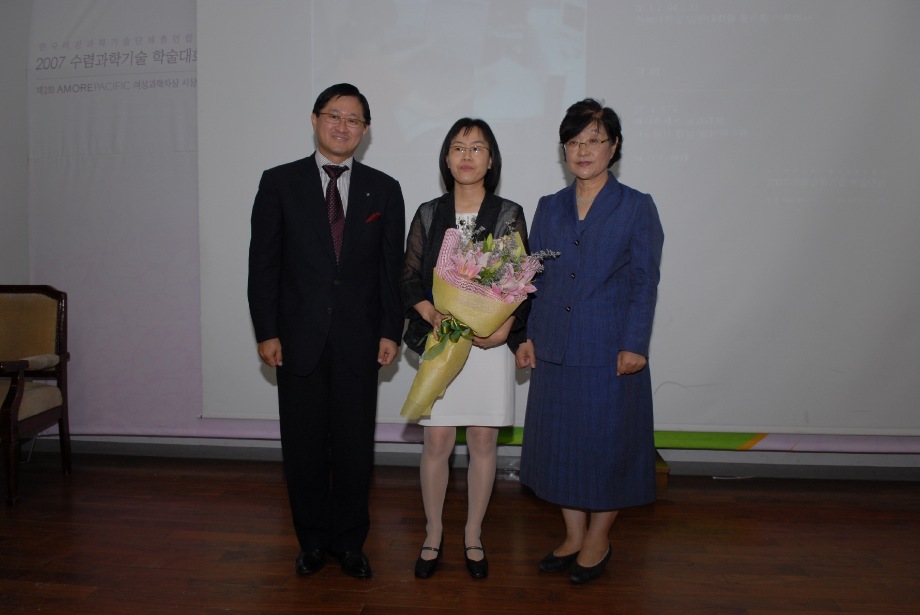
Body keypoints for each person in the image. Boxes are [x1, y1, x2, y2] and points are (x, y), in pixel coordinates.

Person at [247, 83, 405, 579]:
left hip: (360, 340)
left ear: (365, 130)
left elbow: (390, 269)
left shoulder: (385, 187)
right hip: (297, 340)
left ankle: (350, 543)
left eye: (354, 119)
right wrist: (266, 331)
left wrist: (390, 330)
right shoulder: (279, 183)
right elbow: (263, 265)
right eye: (334, 116)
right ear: (315, 120)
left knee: (356, 449)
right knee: (304, 447)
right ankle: (312, 541)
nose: (343, 126)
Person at [514, 99, 664, 585]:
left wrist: (635, 343)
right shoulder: (547, 206)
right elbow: (534, 277)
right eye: (574, 141)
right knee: (559, 447)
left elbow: (645, 280)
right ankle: (573, 535)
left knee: (606, 448)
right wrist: (528, 334)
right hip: (554, 345)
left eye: (594, 140)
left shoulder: (636, 205)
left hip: (609, 348)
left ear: (613, 146)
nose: (583, 150)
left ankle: (599, 539)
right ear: (564, 149)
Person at [400, 118, 528, 580]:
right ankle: (433, 533)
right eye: (458, 147)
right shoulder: (430, 212)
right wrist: (432, 314)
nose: (467, 156)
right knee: (436, 440)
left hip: (489, 347)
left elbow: (522, 281)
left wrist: (505, 329)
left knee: (482, 440)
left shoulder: (509, 212)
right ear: (447, 158)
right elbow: (410, 276)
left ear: (490, 159)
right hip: (442, 339)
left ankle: (473, 533)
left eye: (477, 148)